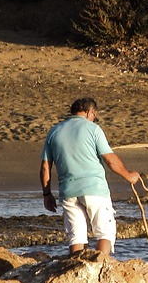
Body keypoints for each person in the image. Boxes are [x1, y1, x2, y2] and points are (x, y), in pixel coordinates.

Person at [40, 97, 140, 257]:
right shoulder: (93, 129)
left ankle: (77, 273)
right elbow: (110, 160)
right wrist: (129, 175)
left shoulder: (54, 131)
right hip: (94, 190)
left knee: (76, 237)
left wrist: (46, 194)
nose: (94, 118)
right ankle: (99, 269)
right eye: (94, 115)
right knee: (105, 233)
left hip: (68, 191)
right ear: (89, 112)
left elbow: (45, 167)